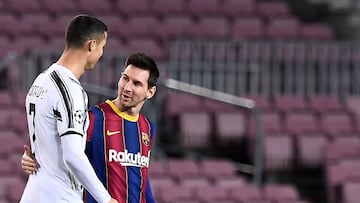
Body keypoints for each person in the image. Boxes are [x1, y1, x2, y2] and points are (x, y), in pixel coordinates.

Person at [21, 52, 160, 203]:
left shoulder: (148, 128)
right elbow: (65, 152)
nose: (127, 87)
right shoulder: (94, 118)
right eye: (125, 78)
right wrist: (32, 157)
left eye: (136, 83)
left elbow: (141, 179)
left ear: (150, 92)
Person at [20, 14, 118, 203]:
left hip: (35, 192)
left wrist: (28, 157)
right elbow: (72, 155)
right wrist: (106, 199)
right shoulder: (69, 89)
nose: (101, 53)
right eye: (102, 47)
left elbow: (44, 140)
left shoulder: (41, 81)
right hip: (59, 195)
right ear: (92, 45)